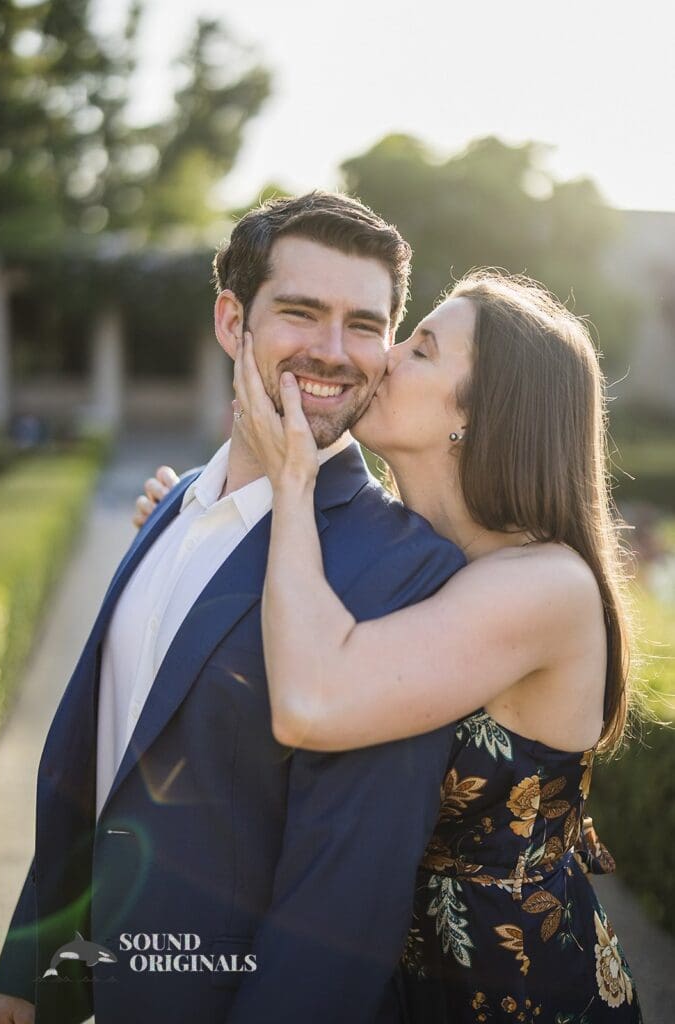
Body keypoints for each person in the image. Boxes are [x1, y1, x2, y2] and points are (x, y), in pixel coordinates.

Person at [0, 193, 465, 1024]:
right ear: (230, 321)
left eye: (363, 324)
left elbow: (342, 905)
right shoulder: (173, 505)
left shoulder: (406, 571)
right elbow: (103, 756)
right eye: (300, 312)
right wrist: (27, 971)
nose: (332, 351)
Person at [136, 270, 643, 1022]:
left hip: (513, 991)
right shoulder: (407, 561)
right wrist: (194, 535)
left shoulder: (544, 586)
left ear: (479, 414)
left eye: (421, 349)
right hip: (378, 979)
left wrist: (293, 481)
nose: (383, 357)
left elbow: (311, 703)